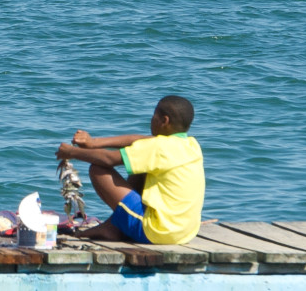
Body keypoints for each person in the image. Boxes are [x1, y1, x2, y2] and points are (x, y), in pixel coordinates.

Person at [54, 95, 204, 245]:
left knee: (98, 168)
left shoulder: (158, 148)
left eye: (154, 115)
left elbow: (109, 159)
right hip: (184, 233)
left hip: (156, 232)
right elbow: (140, 141)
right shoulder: (191, 145)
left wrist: (71, 153)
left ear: (164, 121)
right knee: (140, 168)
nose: (151, 119)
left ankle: (112, 229)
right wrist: (94, 143)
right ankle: (113, 225)